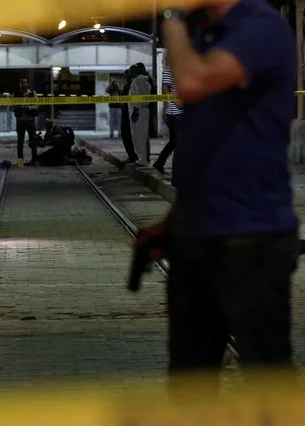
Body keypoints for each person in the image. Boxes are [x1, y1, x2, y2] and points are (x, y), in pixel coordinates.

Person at [138, 0, 300, 401]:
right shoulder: (208, 36)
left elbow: (192, 84)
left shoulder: (259, 26)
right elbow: (205, 143)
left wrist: (172, 16)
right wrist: (173, 223)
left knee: (266, 381)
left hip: (252, 240)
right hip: (198, 240)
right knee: (190, 383)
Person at [152, 52, 183, 178]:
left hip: (182, 112)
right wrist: (173, 103)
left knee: (174, 142)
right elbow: (165, 88)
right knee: (179, 142)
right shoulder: (170, 70)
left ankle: (159, 163)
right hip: (175, 112)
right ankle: (177, 173)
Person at [128, 64, 151, 166]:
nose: (129, 72)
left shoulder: (138, 81)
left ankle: (142, 159)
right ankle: (142, 159)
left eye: (131, 70)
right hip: (141, 111)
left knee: (139, 136)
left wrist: (136, 110)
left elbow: (138, 96)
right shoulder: (143, 81)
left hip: (139, 111)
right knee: (140, 136)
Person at [13, 78, 39, 167]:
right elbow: (13, 105)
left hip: (30, 120)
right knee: (20, 142)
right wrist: (18, 108)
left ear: (27, 84)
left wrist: (28, 108)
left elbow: (37, 105)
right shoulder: (16, 94)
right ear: (19, 84)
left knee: (33, 141)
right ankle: (20, 162)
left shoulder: (32, 93)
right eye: (21, 83)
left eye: (25, 83)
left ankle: (34, 160)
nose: (23, 84)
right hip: (20, 121)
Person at [120, 69, 138, 164]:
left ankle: (132, 156)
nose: (125, 78)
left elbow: (124, 102)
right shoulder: (131, 86)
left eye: (126, 76)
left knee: (126, 135)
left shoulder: (130, 86)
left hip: (128, 113)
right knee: (129, 136)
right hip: (129, 113)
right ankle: (132, 155)